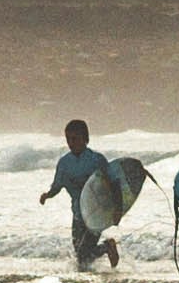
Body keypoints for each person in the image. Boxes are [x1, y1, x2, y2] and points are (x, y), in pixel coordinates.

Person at [37, 115, 123, 273]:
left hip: (96, 213)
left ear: (85, 138)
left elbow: (114, 184)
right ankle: (102, 258)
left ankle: (107, 247)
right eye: (68, 139)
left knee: (82, 256)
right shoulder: (64, 162)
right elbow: (58, 185)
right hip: (77, 214)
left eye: (75, 139)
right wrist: (47, 195)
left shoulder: (96, 160)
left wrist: (118, 209)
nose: (71, 143)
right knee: (81, 257)